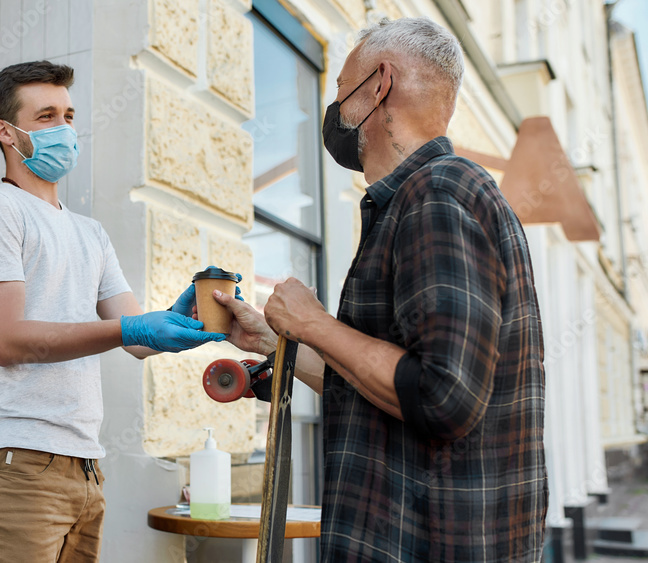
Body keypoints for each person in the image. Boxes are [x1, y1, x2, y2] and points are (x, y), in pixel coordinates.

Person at [212, 17, 547, 561]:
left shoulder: (439, 195)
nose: (335, 108)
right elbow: (382, 388)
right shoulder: (420, 199)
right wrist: (279, 346)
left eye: (341, 89)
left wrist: (315, 324)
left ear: (379, 84)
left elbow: (442, 398)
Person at [0, 60, 226, 563]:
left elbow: (137, 340)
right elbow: (7, 341)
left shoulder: (89, 232)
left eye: (69, 115)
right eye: (47, 116)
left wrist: (184, 316)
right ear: (6, 132)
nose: (65, 129)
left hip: (86, 469)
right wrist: (129, 327)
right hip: (16, 466)